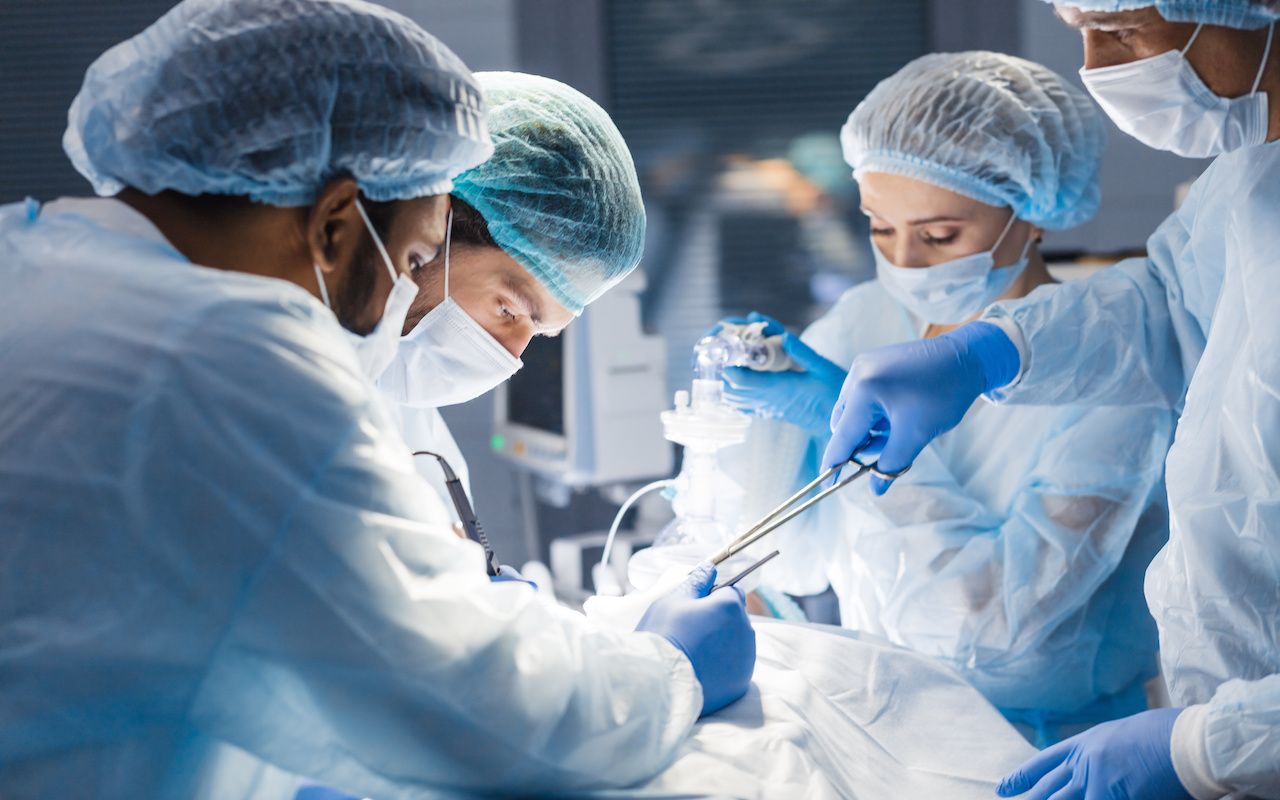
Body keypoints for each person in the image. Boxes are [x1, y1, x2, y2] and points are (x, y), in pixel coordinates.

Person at [0, 1, 755, 797]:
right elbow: (496, 723)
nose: (406, 297)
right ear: (334, 224)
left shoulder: (27, 257)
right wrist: (669, 672)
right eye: (418, 253)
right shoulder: (234, 369)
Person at [818, 2, 1280, 798]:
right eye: (1082, 32)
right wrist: (998, 350)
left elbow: (999, 621)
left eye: (1126, 29)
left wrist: (1216, 746)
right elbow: (1169, 302)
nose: (1097, 66)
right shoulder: (1248, 182)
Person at [712, 52, 1173, 744]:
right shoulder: (863, 322)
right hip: (881, 722)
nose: (904, 261)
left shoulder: (1113, 371)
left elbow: (995, 625)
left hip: (1053, 747)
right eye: (878, 228)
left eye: (938, 235)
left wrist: (874, 450)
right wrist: (752, 422)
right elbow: (794, 558)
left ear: (1032, 209)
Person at [375, 70, 643, 508]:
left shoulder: (394, 412)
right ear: (431, 225)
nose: (510, 358)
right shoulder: (265, 362)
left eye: (537, 336)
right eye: (509, 309)